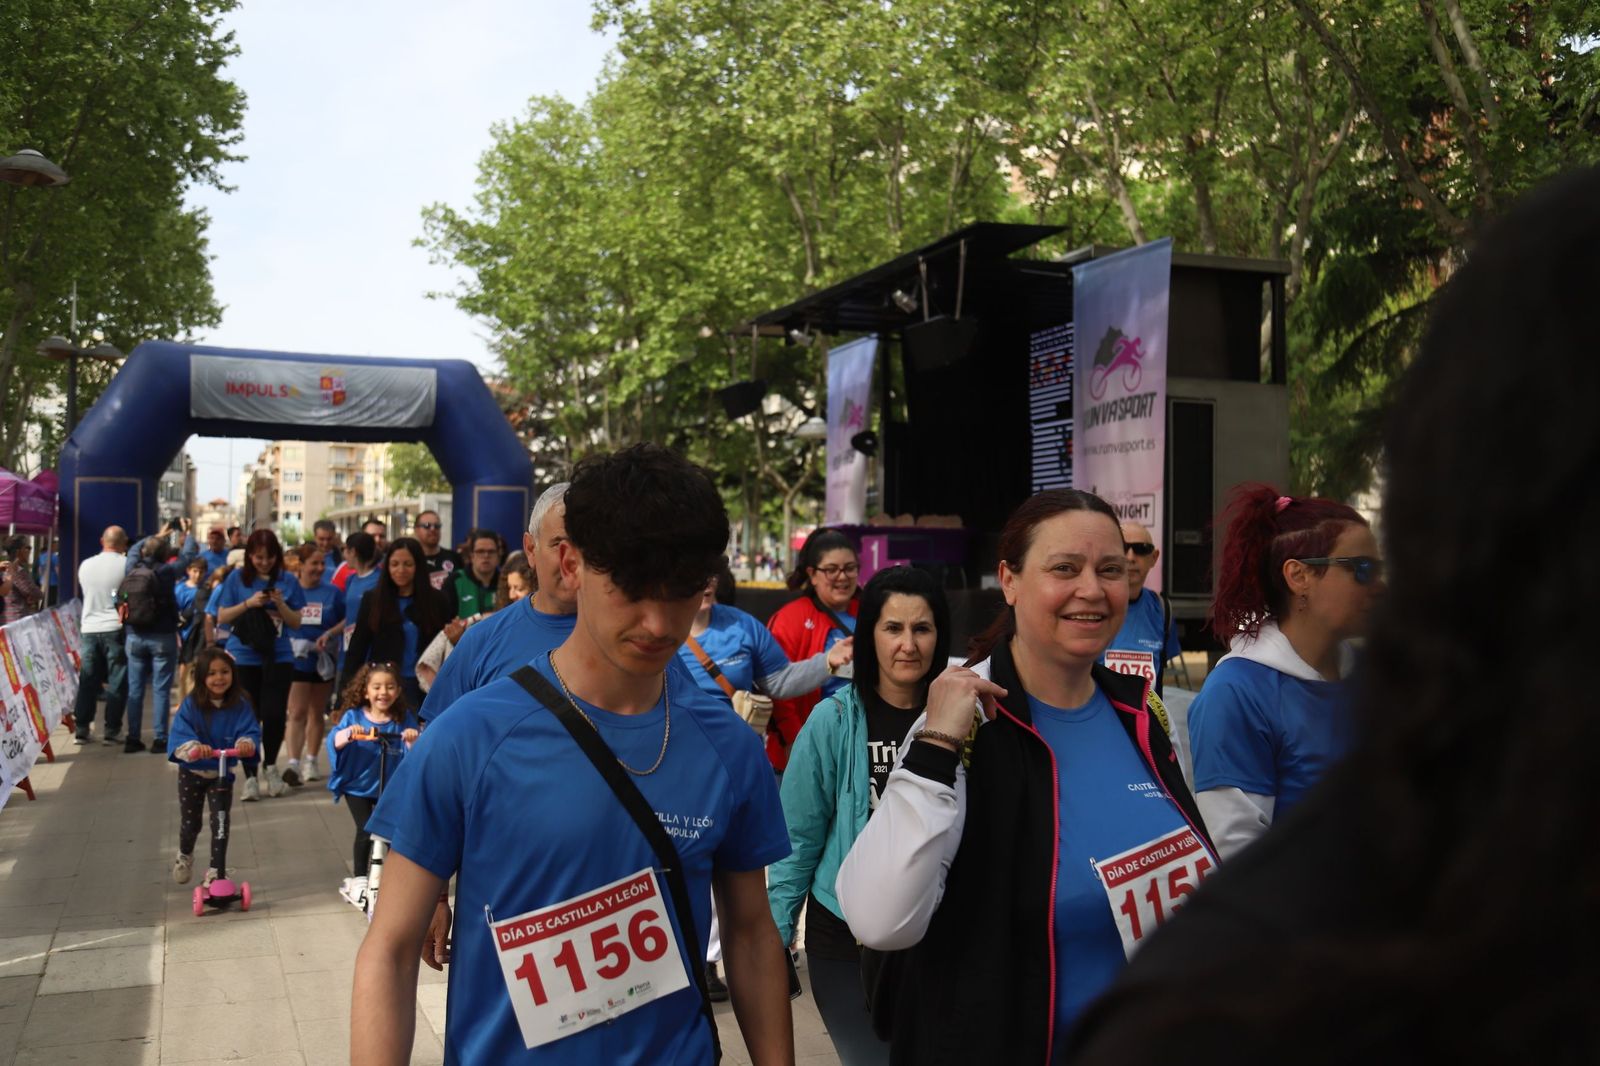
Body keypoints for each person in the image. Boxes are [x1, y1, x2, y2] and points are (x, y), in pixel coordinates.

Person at [1065, 162, 1600, 1066]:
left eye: (1120, 569)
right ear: (1301, 579)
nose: (1107, 590)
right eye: (1362, 566)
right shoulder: (1240, 997)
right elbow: (1234, 844)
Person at [353, 444, 794, 1065]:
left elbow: (750, 934)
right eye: (632, 588)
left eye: (681, 593)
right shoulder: (471, 738)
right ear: (570, 563)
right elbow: (390, 951)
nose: (659, 622)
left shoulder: (727, 748)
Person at [834, 489, 1212, 1064]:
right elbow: (879, 919)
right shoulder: (963, 726)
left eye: (1109, 570)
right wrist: (936, 743)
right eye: (1065, 568)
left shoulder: (1144, 713)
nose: (1092, 589)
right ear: (1008, 580)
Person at [769, 566, 950, 1065]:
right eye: (893, 628)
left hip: (941, 933)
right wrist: (777, 935)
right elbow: (798, 838)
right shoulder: (835, 720)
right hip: (845, 939)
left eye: (922, 628)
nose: (908, 645)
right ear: (868, 636)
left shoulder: (964, 719)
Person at [678, 565, 855, 1000]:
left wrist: (826, 662)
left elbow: (778, 681)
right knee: (690, 861)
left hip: (739, 766)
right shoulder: (657, 628)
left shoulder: (743, 627)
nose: (705, 582)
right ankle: (690, 959)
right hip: (682, 767)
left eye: (709, 575)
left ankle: (718, 962)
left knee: (739, 865)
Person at [1185, 485, 1379, 860]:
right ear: (1299, 576)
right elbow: (1239, 865)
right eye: (1363, 570)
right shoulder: (1237, 693)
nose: (1380, 587)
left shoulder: (1370, 674)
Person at [417, 483, 577, 724]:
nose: (572, 558)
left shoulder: (631, 640)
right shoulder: (481, 641)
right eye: (558, 544)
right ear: (530, 549)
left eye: (584, 544)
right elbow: (437, 744)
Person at [206, 528, 306, 800]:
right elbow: (222, 616)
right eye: (259, 557)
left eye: (270, 557)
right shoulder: (237, 579)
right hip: (244, 655)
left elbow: (297, 621)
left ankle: (270, 765)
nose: (264, 562)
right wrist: (250, 603)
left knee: (274, 714)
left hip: (279, 656)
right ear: (250, 555)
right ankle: (250, 775)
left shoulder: (287, 580)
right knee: (248, 716)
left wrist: (279, 604)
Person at [766, 529, 860, 774]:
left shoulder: (872, 612)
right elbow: (778, 687)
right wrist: (796, 741)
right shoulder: (790, 618)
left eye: (850, 568)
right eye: (831, 569)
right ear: (812, 574)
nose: (842, 576)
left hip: (857, 746)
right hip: (806, 747)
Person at [327, 662, 418, 911]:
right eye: (377, 687)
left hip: (389, 788)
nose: (383, 692)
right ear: (366, 691)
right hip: (358, 786)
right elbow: (334, 740)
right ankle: (359, 879)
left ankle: (394, 879)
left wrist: (412, 740)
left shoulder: (401, 719)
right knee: (365, 829)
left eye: (390, 687)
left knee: (391, 834)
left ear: (398, 691)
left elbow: (415, 755)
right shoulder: (353, 716)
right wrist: (349, 734)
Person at [167, 646, 260, 888]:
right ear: (201, 677)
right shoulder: (191, 705)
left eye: (224, 672)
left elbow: (249, 729)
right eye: (212, 673)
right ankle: (185, 855)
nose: (219, 678)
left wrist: (245, 744)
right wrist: (194, 747)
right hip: (193, 773)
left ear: (233, 674)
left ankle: (216, 871)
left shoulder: (240, 703)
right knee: (191, 823)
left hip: (221, 773)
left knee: (220, 821)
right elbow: (180, 733)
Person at [339, 536, 449, 710]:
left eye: (408, 564)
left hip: (425, 688)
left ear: (418, 566)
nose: (401, 570)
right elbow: (356, 650)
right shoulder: (373, 600)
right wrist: (342, 701)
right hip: (384, 687)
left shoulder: (437, 601)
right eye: (395, 564)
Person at [122, 522, 199, 753]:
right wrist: (187, 532)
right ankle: (159, 738)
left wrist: (156, 535)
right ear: (166, 554)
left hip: (135, 634)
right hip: (163, 635)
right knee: (161, 688)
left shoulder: (132, 568)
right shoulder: (167, 572)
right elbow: (187, 556)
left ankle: (133, 737)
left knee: (134, 688)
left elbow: (134, 550)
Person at [283, 543, 345, 788]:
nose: (320, 568)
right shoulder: (289, 590)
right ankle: (293, 763)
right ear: (301, 565)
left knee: (316, 712)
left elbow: (346, 618)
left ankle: (311, 760)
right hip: (296, 657)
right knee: (297, 711)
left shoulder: (332, 593)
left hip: (323, 658)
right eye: (314, 564)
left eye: (322, 563)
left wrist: (330, 633)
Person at [1101, 521, 1181, 697]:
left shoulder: (1163, 611)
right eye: (1123, 547)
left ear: (1153, 558)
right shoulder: (1091, 605)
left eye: (1141, 549)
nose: (1130, 557)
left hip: (1144, 722)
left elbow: (1159, 676)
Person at [72, 526, 132, 744]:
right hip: (114, 628)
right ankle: (112, 730)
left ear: (102, 541)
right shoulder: (127, 564)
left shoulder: (86, 565)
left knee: (88, 679)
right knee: (117, 679)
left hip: (89, 627)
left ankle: (81, 728)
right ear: (124, 543)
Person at [449, 528, 502, 618]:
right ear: (472, 556)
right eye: (480, 551)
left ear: (498, 555)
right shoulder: (455, 580)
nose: (486, 556)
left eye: (491, 551)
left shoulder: (506, 581)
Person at [413, 510, 462, 592]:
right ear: (416, 530)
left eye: (437, 526)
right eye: (427, 526)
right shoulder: (411, 559)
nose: (433, 529)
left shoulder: (454, 557)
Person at [2, 536, 43, 624]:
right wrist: (35, 595)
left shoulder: (5, 567)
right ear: (18, 551)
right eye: (27, 547)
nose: (29, 551)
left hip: (8, 618)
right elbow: (34, 592)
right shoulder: (17, 570)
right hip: (17, 620)